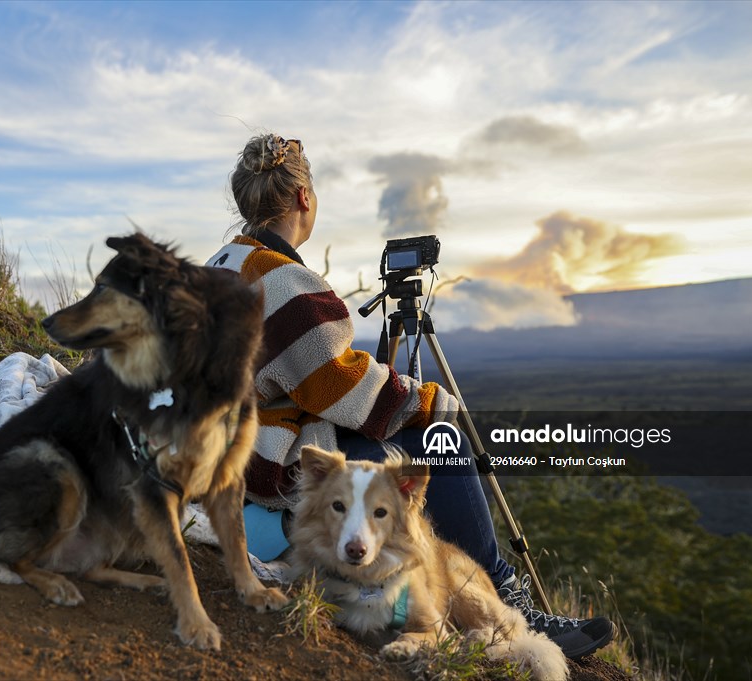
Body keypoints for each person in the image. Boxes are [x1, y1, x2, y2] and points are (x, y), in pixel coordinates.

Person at [207, 133, 615, 660]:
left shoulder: (221, 261)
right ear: (305, 198)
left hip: (220, 449)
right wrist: (428, 401)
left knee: (402, 433)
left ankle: (454, 595)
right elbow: (336, 383)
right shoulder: (281, 279)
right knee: (440, 439)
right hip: (261, 468)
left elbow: (303, 375)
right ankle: (503, 597)